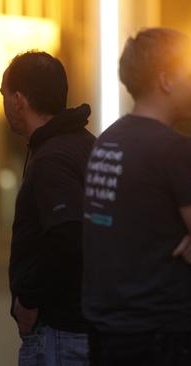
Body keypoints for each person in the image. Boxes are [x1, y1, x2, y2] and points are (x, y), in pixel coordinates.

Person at [82, 28, 191, 366]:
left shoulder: (107, 142)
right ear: (166, 81)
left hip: (108, 330)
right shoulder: (174, 150)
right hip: (161, 334)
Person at [1, 51, 94, 365]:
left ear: (18, 100)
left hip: (60, 333)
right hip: (89, 326)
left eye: (2, 95)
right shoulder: (87, 145)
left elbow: (69, 235)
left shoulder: (52, 158)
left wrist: (28, 298)